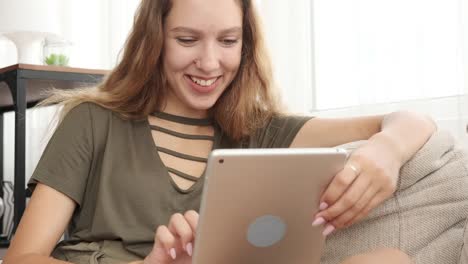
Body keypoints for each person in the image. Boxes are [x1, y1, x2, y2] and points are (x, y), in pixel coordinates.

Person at [3, 0, 437, 263]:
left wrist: (387, 152)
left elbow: (407, 120)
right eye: (187, 40)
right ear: (153, 40)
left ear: (245, 45)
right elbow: (22, 258)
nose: (210, 64)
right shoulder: (92, 120)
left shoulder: (260, 130)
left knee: (389, 258)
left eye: (228, 41)